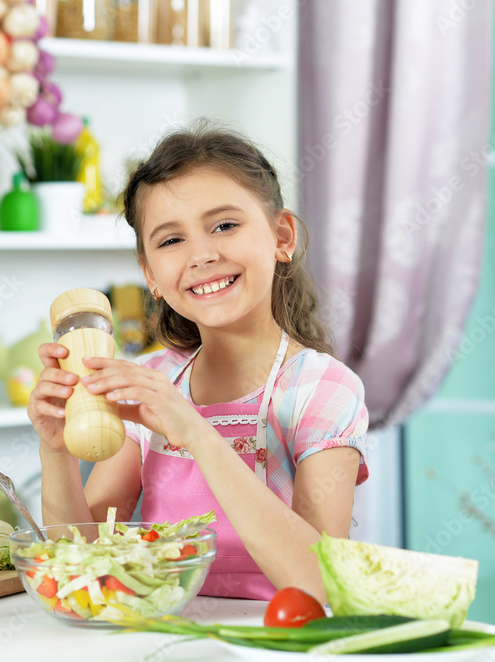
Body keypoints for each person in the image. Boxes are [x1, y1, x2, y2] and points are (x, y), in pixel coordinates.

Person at [28, 122, 369, 603]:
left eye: (225, 225)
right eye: (170, 241)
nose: (202, 255)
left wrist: (194, 430)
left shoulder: (322, 390)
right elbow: (79, 562)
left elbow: (322, 584)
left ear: (282, 236)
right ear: (151, 274)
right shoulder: (151, 380)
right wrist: (56, 450)